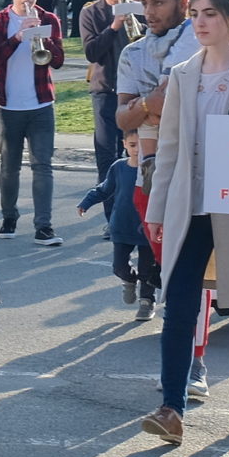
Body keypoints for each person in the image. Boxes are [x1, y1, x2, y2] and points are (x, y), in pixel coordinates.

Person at [140, 0, 229, 443]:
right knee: (180, 305)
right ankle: (172, 406)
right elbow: (168, 147)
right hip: (188, 206)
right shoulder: (184, 73)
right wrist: (157, 208)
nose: (199, 23)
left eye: (209, 13)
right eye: (194, 14)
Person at [0, 0, 67, 245]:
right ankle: (9, 217)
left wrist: (45, 40)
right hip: (7, 106)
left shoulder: (49, 20)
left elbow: (57, 60)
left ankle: (44, 226)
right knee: (9, 166)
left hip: (41, 103)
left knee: (42, 165)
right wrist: (18, 37)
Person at [115, 0, 192, 162]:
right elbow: (123, 119)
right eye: (144, 4)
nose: (149, 12)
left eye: (158, 3)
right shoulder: (133, 53)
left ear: (183, 4)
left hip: (197, 161)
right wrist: (147, 104)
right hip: (151, 172)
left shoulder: (202, 45)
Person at [78, 133, 155, 319]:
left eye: (142, 145)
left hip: (147, 228)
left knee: (148, 269)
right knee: (119, 266)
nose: (138, 150)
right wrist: (86, 202)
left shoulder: (155, 168)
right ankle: (129, 280)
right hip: (122, 226)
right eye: (133, 145)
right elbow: (105, 189)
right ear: (125, 145)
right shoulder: (119, 167)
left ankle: (146, 302)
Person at [77, 0, 135, 180]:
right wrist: (113, 27)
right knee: (107, 155)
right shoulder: (91, 13)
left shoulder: (137, 9)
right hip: (106, 91)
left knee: (134, 155)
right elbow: (92, 53)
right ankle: (111, 211)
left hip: (134, 92)